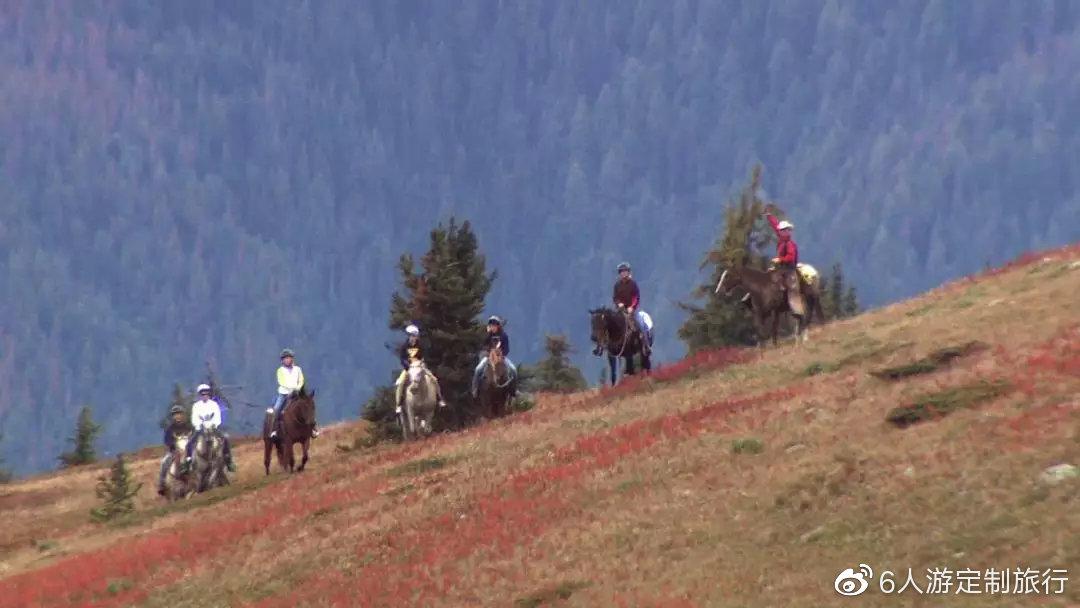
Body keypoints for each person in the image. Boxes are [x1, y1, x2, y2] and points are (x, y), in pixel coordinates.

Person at [182, 384, 235, 472]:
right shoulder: (196, 406)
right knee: (189, 443)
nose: (205, 396)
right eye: (202, 394)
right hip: (201, 429)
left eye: (206, 394)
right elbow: (194, 418)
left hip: (213, 428)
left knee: (225, 439)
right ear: (200, 395)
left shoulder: (214, 404)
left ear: (209, 394)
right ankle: (188, 462)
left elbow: (217, 417)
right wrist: (199, 425)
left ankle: (228, 461)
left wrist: (214, 424)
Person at [396, 325, 447, 412]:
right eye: (411, 336)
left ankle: (439, 398)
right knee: (400, 383)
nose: (413, 338)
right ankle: (399, 404)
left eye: (414, 336)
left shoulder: (420, 346)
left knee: (434, 379)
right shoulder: (404, 347)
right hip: (409, 368)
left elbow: (424, 356)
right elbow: (402, 359)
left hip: (420, 367)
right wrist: (408, 366)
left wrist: (421, 363)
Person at [271, 348, 318, 439]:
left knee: (308, 406)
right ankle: (274, 430)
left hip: (297, 393)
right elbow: (281, 382)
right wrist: (291, 389)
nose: (288, 360)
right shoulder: (280, 370)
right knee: (276, 409)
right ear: (282, 360)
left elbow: (301, 380)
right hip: (284, 394)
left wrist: (298, 388)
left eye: (289, 358)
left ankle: (313, 428)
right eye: (286, 358)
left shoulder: (298, 369)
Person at [765, 212, 805, 316]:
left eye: (784, 230)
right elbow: (775, 226)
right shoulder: (782, 238)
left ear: (788, 231)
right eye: (781, 230)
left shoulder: (790, 244)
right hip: (781, 268)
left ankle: (797, 310)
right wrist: (769, 216)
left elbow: (791, 257)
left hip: (789, 269)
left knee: (792, 287)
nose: (781, 231)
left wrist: (780, 259)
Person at [471, 316, 517, 398]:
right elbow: (483, 345)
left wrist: (501, 354)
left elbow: (506, 349)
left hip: (501, 357)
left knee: (513, 369)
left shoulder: (503, 335)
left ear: (498, 326)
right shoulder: (489, 335)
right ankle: (475, 390)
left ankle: (513, 391)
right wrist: (489, 351)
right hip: (489, 357)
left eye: (494, 325)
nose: (492, 327)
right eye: (491, 325)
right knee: (478, 369)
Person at [612, 262, 652, 354]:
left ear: (628, 272)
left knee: (639, 325)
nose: (623, 273)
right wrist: (619, 304)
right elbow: (615, 297)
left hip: (631, 310)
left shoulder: (633, 284)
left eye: (625, 271)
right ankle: (605, 347)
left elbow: (636, 297)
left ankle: (645, 346)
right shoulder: (617, 285)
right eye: (621, 271)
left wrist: (632, 307)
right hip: (620, 310)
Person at [156, 404, 193, 496]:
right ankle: (161, 484)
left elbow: (193, 438)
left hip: (187, 451)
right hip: (174, 451)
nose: (177, 416)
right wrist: (172, 446)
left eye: (179, 414)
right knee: (164, 462)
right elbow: (167, 440)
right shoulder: (170, 429)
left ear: (182, 415)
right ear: (173, 416)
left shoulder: (188, 427)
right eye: (175, 414)